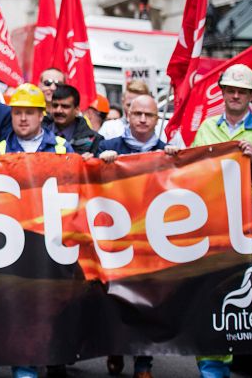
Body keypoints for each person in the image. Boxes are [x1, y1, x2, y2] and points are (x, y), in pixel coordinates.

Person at [0, 83, 73, 378]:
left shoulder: (62, 148)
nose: (23, 118)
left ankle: (55, 357)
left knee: (55, 303)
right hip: (15, 246)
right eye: (18, 112)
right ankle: (24, 368)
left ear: (41, 116)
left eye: (30, 113)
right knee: (20, 306)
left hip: (53, 241)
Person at [88, 94, 180, 378]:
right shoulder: (109, 146)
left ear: (156, 119)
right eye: (137, 113)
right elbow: (84, 173)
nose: (142, 119)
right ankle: (115, 350)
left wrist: (179, 163)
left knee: (148, 302)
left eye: (148, 115)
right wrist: (99, 162)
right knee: (115, 299)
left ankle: (143, 363)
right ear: (128, 114)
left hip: (151, 242)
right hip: (115, 240)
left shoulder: (167, 151)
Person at [190, 64, 252, 378]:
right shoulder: (205, 127)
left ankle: (236, 360)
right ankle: (211, 367)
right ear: (222, 92)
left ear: (251, 96)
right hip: (212, 229)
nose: (235, 95)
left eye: (241, 91)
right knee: (212, 298)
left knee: (246, 299)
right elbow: (189, 174)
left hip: (249, 229)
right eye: (230, 89)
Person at [43, 84, 103, 155]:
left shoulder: (94, 140)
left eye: (65, 106)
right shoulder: (38, 133)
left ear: (77, 110)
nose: (59, 110)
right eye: (55, 106)